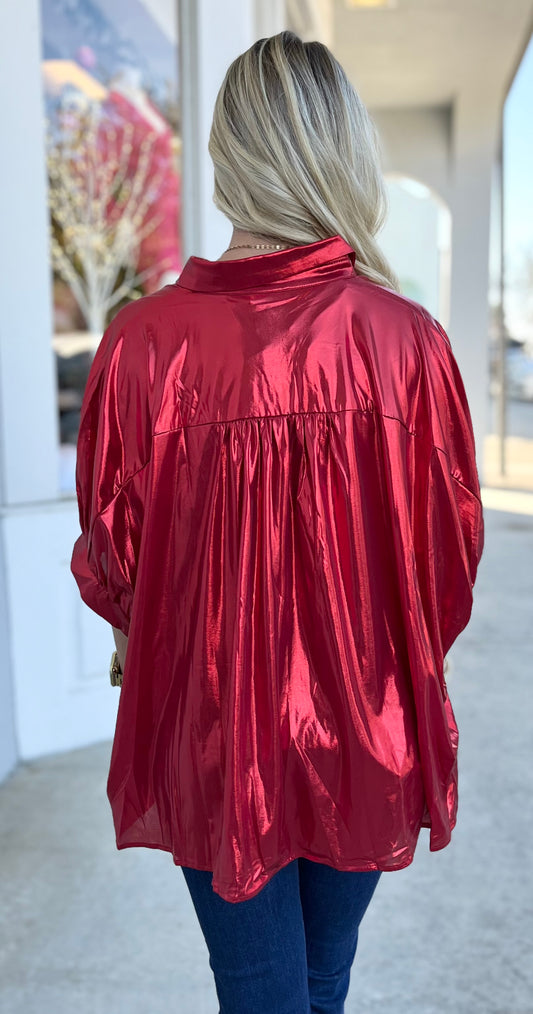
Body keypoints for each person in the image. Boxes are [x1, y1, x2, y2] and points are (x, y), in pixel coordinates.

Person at [71, 30, 485, 1014]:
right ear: (340, 152)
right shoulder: (407, 345)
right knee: (319, 980)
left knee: (259, 990)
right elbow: (447, 562)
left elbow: (114, 556)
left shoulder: (142, 344)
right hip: (363, 728)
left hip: (213, 739)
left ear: (227, 155)